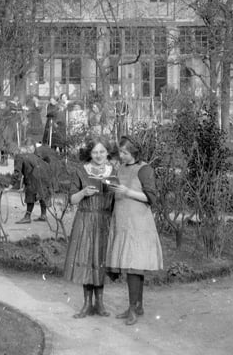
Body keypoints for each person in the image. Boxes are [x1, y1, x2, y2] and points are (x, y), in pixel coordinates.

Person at [106, 136, 163, 325]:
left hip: (138, 225)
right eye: (120, 152)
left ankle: (132, 309)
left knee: (133, 266)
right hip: (123, 223)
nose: (121, 155)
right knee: (133, 266)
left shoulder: (144, 169)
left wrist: (127, 192)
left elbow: (152, 198)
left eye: (125, 152)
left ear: (134, 153)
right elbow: (118, 190)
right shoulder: (120, 168)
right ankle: (137, 306)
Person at [63, 138, 117, 318]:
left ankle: (100, 304)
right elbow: (71, 199)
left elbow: (119, 199)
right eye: (95, 152)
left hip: (104, 221)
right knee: (86, 259)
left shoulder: (113, 171)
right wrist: (83, 193)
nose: (99, 155)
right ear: (89, 153)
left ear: (107, 152)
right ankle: (87, 304)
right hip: (85, 219)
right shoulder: (81, 171)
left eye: (102, 152)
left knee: (100, 260)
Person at [15, 142, 53, 223]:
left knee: (30, 196)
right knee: (42, 195)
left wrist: (11, 185)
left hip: (34, 179)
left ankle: (27, 217)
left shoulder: (21, 157)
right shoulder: (37, 157)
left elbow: (17, 173)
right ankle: (43, 215)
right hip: (44, 179)